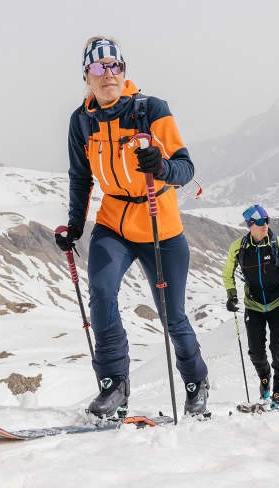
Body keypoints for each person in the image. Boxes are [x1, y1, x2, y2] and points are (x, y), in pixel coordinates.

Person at [55, 36, 209, 418]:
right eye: (98, 67)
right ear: (86, 76)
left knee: (172, 316)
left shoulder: (151, 110)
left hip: (160, 226)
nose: (108, 73)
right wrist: (75, 225)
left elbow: (185, 167)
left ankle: (196, 382)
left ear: (123, 71)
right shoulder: (82, 121)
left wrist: (162, 166)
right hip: (114, 223)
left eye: (115, 66)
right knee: (101, 291)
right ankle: (114, 385)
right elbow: (80, 177)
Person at [222, 205, 279, 407]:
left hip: (278, 304)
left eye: (266, 220)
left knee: (278, 349)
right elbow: (227, 273)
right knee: (256, 353)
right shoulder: (238, 248)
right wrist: (231, 295)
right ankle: (265, 378)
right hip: (254, 305)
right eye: (259, 221)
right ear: (250, 225)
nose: (265, 224)